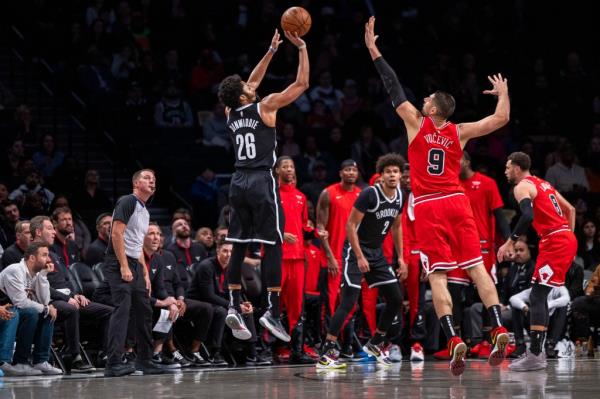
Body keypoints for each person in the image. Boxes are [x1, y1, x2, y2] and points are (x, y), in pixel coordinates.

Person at [365, 16, 510, 376]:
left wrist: (373, 48)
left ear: (432, 110)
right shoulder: (459, 132)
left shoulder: (416, 122)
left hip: (429, 206)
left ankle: (451, 337)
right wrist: (504, 93)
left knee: (438, 276)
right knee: (477, 268)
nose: (423, 98)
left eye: (428, 98)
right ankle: (500, 329)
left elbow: (393, 86)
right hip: (458, 201)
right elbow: (500, 120)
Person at [217, 28, 309, 343]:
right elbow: (302, 84)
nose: (251, 84)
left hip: (237, 181)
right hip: (260, 178)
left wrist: (270, 51)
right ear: (244, 94)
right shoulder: (265, 106)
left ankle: (232, 303)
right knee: (274, 244)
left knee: (239, 244)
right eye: (246, 86)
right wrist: (302, 49)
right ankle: (271, 310)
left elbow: (250, 83)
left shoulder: (230, 111)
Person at [318, 154, 407, 369]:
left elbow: (396, 227)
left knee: (395, 298)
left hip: (376, 254)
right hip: (355, 252)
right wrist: (359, 256)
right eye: (388, 172)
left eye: (396, 171)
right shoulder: (370, 194)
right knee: (348, 302)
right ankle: (328, 348)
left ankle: (375, 343)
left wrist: (401, 258)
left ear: (400, 175)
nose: (393, 175)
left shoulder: (400, 196)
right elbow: (350, 226)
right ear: (382, 175)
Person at [498, 152, 578, 371]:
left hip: (555, 241)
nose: (505, 171)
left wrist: (509, 242)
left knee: (537, 295)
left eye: (507, 167)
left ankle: (534, 354)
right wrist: (567, 238)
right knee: (538, 294)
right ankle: (537, 352)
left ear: (516, 167)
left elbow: (527, 216)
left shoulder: (522, 186)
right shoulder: (543, 183)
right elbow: (570, 209)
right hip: (562, 239)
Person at [103, 169, 163, 377]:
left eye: (154, 179)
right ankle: (113, 362)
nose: (152, 181)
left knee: (144, 310)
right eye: (147, 178)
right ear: (136, 183)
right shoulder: (128, 201)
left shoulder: (145, 211)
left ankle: (145, 360)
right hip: (118, 261)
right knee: (123, 311)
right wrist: (123, 265)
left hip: (135, 264)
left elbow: (136, 244)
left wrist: (144, 273)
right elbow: (116, 233)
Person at [0, 242, 62, 375]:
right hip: (4, 309)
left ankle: (40, 361)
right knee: (27, 313)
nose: (48, 259)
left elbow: (44, 301)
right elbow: (21, 302)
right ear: (32, 258)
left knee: (47, 314)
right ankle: (9, 362)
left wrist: (44, 276)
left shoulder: (35, 274)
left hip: (14, 309)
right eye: (44, 255)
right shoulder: (15, 270)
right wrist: (46, 308)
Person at [276, 156, 314, 364]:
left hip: (298, 258)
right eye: (285, 166)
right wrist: (281, 233)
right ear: (277, 171)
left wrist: (317, 231)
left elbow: (304, 226)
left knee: (296, 306)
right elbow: (262, 224)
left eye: (291, 166)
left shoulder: (301, 197)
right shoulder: (271, 195)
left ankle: (296, 350)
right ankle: (268, 349)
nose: (289, 169)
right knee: (273, 304)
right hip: (277, 257)